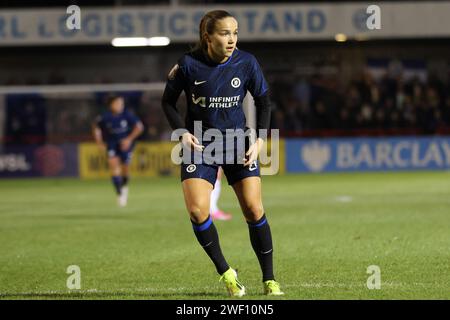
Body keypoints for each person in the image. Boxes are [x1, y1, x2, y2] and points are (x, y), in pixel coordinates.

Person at [161, 10, 283, 296]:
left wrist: (260, 140)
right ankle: (227, 274)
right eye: (225, 33)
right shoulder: (188, 65)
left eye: (235, 32)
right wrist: (182, 131)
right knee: (197, 210)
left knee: (253, 209)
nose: (232, 39)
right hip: (201, 146)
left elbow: (264, 101)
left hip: (238, 143)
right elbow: (167, 102)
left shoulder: (246, 62)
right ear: (208, 37)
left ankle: (269, 280)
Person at [93, 95, 144, 207]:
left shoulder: (127, 115)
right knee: (114, 166)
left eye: (121, 103)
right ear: (111, 105)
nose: (120, 106)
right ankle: (119, 192)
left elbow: (139, 127)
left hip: (125, 145)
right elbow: (96, 127)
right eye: (117, 103)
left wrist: (129, 139)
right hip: (112, 144)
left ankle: (124, 186)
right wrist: (99, 142)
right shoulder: (105, 117)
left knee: (125, 169)